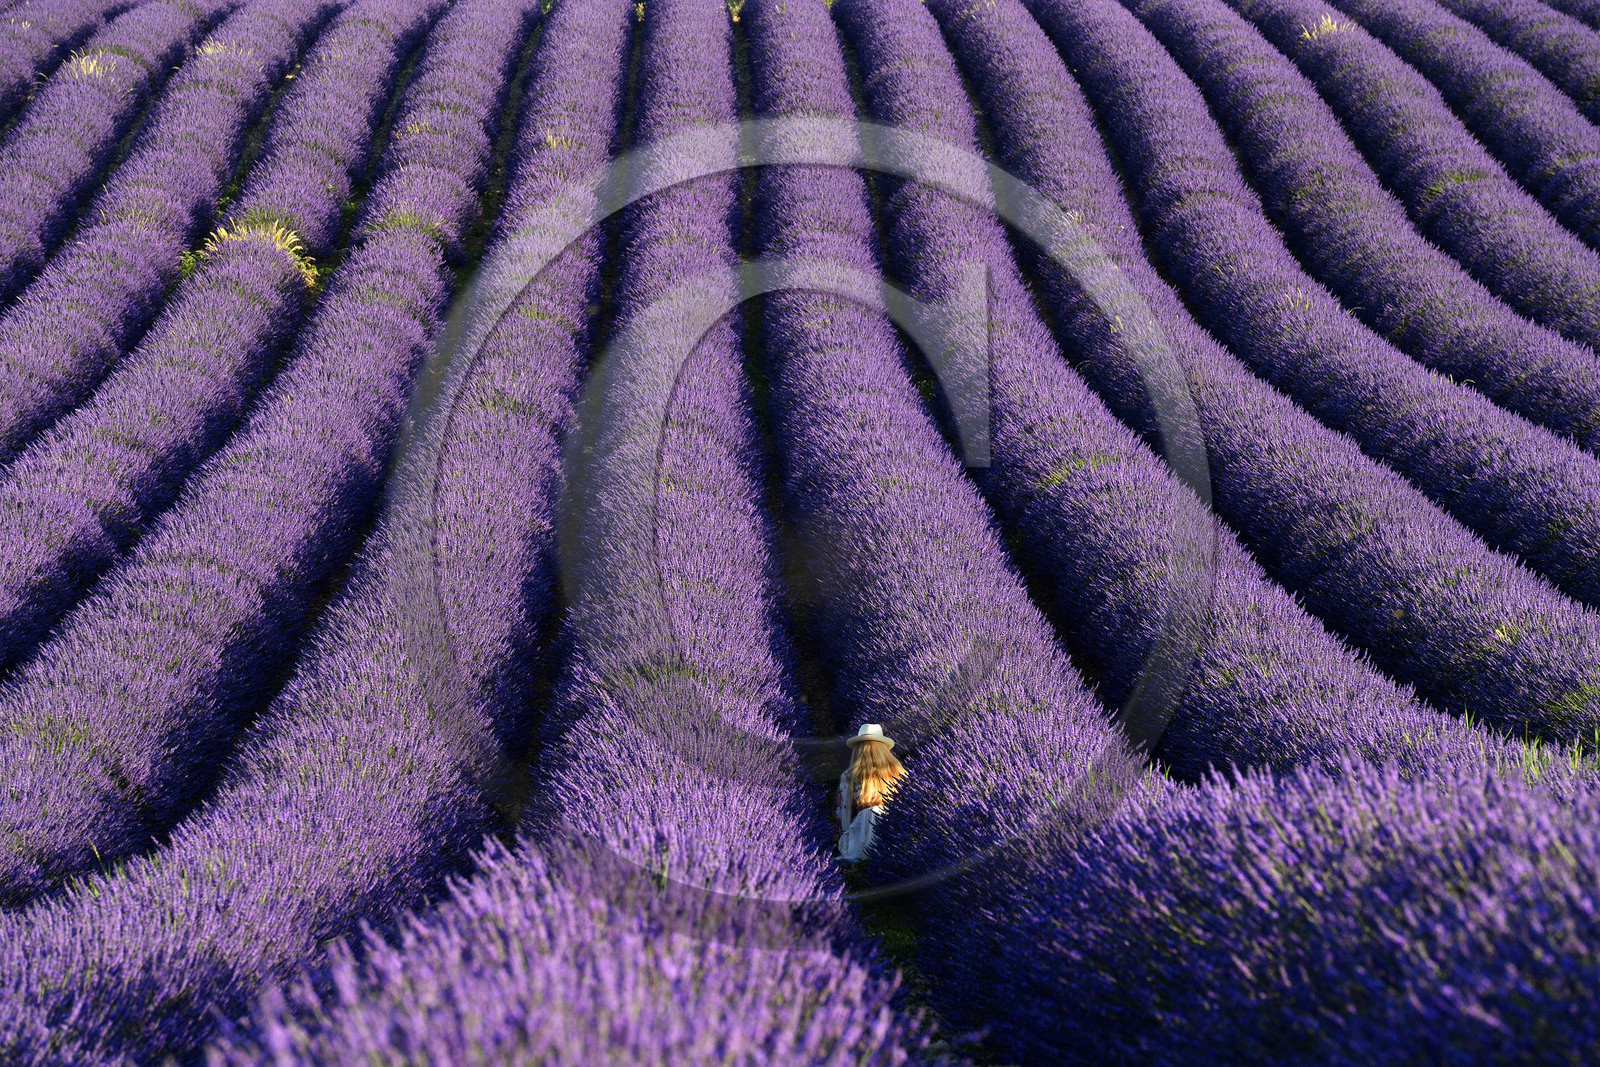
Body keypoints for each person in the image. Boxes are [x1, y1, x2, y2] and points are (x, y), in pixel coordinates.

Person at [837, 723, 905, 862]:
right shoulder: (898, 772)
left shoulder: (851, 775)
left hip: (862, 825)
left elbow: (843, 810)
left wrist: (844, 833)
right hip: (890, 826)